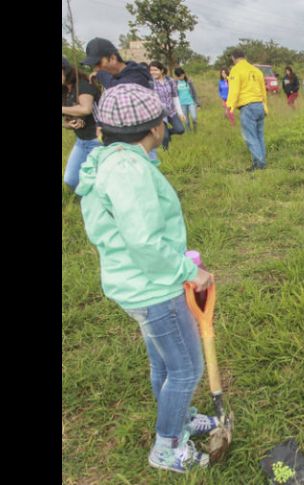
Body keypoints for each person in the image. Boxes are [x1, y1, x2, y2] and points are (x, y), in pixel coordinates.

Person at [75, 83, 217, 473]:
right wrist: (191, 271)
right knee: (187, 369)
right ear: (154, 126)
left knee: (167, 365)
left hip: (136, 281)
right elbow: (144, 239)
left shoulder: (110, 160)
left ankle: (181, 417)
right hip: (154, 287)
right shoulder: (128, 169)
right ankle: (167, 448)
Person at [226, 49, 269, 171]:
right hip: (259, 105)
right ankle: (259, 162)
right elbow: (263, 91)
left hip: (248, 107)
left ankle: (260, 164)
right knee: (259, 135)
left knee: (250, 137)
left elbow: (234, 90)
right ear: (244, 57)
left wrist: (230, 107)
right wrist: (265, 106)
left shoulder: (236, 70)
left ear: (233, 58)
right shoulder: (257, 70)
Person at [62, 55, 101, 190]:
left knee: (99, 181)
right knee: (71, 180)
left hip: (98, 141)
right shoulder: (64, 91)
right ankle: (88, 201)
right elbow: (66, 118)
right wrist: (67, 124)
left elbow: (85, 109)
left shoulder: (83, 85)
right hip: (81, 141)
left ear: (66, 70)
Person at [81, 37, 153, 90]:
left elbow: (116, 88)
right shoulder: (118, 76)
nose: (96, 69)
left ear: (113, 58)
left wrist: (100, 74)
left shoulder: (136, 76)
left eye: (98, 63)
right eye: (94, 65)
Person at [148, 61, 186, 150]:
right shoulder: (150, 83)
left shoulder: (170, 81)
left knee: (180, 130)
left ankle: (167, 133)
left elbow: (175, 97)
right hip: (159, 114)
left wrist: (180, 113)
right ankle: (167, 152)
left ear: (161, 70)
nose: (153, 72)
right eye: (151, 70)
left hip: (171, 111)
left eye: (155, 70)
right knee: (164, 137)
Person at [174, 67, 199, 133]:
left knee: (194, 117)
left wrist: (198, 103)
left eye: (182, 75)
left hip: (191, 102)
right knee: (186, 120)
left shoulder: (189, 82)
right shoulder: (175, 83)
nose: (181, 77)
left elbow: (194, 93)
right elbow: (174, 95)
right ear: (176, 76)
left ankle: (195, 130)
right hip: (182, 104)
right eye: (179, 76)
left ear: (184, 74)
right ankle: (189, 132)